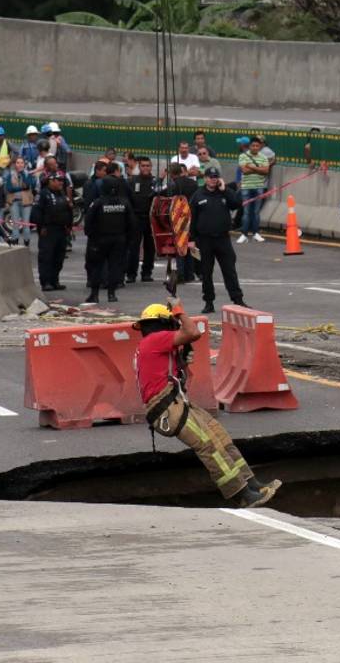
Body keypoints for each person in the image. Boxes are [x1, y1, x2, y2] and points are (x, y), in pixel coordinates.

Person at [134, 300, 281, 508]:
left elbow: (178, 374)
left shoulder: (153, 345)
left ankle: (252, 484)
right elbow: (193, 332)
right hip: (167, 407)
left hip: (175, 402)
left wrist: (182, 358)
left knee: (218, 435)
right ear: (165, 324)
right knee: (208, 445)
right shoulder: (156, 340)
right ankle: (242, 495)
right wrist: (178, 309)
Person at [189, 167, 248, 314]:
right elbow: (191, 219)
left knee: (230, 270)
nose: (213, 179)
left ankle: (238, 300)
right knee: (206, 272)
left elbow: (237, 204)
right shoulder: (197, 195)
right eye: (210, 177)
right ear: (206, 178)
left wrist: (225, 189)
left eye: (215, 177)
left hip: (223, 238)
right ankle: (209, 302)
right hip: (204, 240)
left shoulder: (224, 192)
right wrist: (191, 240)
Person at [83, 177, 134, 304]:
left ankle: (94, 295)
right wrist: (128, 239)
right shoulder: (124, 203)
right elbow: (131, 222)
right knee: (114, 267)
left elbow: (89, 221)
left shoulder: (98, 203)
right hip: (119, 239)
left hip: (100, 239)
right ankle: (112, 294)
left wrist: (91, 236)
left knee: (96, 267)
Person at [32, 172, 72, 292]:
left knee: (58, 257)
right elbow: (36, 213)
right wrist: (41, 226)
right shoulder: (43, 194)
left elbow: (68, 210)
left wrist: (69, 225)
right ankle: (46, 282)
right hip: (48, 230)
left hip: (61, 230)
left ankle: (55, 280)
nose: (61, 183)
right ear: (50, 181)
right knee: (47, 257)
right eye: (58, 180)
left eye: (62, 180)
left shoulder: (61, 193)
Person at [126, 157, 158, 283]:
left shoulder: (156, 182)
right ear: (139, 167)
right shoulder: (132, 181)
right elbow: (127, 200)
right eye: (143, 166)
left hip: (151, 218)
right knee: (133, 247)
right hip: (136, 218)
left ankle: (146, 273)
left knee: (150, 247)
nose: (146, 168)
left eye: (148, 166)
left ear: (151, 167)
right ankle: (131, 274)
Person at [166, 162, 199, 283]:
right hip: (193, 217)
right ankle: (191, 273)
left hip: (178, 218)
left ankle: (179, 274)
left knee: (178, 246)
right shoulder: (193, 183)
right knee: (190, 245)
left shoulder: (172, 184)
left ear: (171, 173)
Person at [236, 137, 270, 244]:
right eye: (253, 145)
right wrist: (258, 168)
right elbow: (244, 171)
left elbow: (266, 171)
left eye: (257, 146)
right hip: (246, 187)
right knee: (246, 212)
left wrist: (251, 166)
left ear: (260, 147)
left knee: (256, 212)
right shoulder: (242, 156)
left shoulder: (264, 157)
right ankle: (244, 234)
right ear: (249, 146)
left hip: (259, 186)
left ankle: (256, 233)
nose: (255, 148)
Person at [4, 156, 36, 246]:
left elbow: (28, 185)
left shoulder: (27, 174)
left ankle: (26, 243)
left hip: (26, 202)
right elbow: (9, 189)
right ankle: (15, 243)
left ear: (24, 164)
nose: (20, 165)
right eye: (18, 163)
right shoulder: (10, 174)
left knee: (26, 225)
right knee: (15, 224)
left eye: (21, 163)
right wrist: (22, 188)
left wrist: (22, 174)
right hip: (14, 202)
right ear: (15, 164)